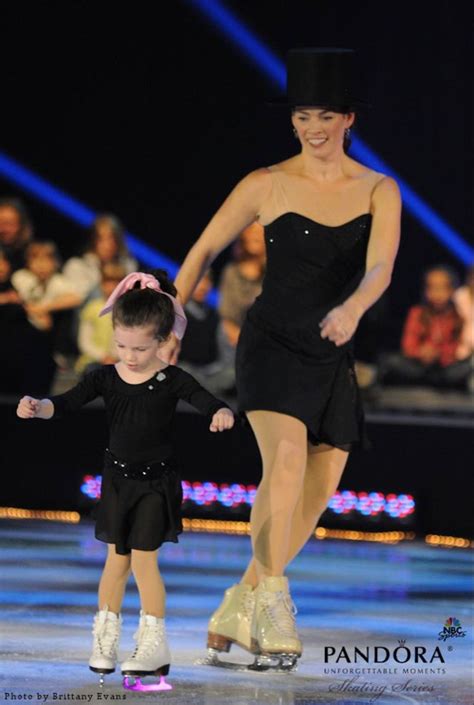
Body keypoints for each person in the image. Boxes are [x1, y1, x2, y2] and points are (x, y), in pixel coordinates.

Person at [161, 48, 401, 669]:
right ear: (292, 120)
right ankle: (273, 602)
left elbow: (381, 268)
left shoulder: (379, 189)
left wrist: (353, 309)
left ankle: (238, 600)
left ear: (349, 119)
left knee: (316, 494)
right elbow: (202, 251)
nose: (312, 128)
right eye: (302, 116)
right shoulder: (265, 182)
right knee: (286, 462)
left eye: (324, 115)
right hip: (271, 346)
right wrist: (172, 322)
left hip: (333, 350)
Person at [16, 269, 234, 688]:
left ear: (164, 340)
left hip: (156, 485)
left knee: (144, 562)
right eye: (121, 345)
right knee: (116, 562)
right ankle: (105, 639)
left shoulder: (171, 380)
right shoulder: (104, 377)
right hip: (117, 482)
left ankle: (154, 643)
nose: (129, 356)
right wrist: (38, 406)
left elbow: (208, 401)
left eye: (139, 347)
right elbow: (65, 403)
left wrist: (220, 413)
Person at [378, 265, 471, 389]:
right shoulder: (417, 313)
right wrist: (421, 352)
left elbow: (457, 347)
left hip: (444, 367)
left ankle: (432, 382)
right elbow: (408, 345)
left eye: (442, 288)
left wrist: (439, 353)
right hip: (419, 365)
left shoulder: (457, 316)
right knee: (389, 361)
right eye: (432, 288)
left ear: (452, 290)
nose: (437, 294)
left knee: (464, 368)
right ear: (425, 290)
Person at [75, 262, 126, 375]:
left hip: (121, 361)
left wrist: (115, 356)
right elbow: (84, 341)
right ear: (101, 284)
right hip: (93, 361)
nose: (112, 287)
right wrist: (103, 356)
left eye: (116, 283)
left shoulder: (129, 311)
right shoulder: (92, 308)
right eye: (108, 283)